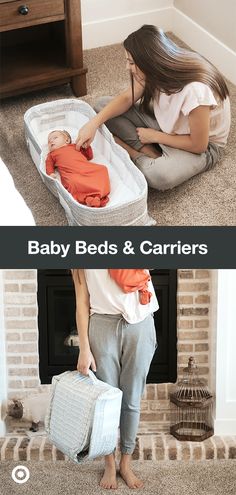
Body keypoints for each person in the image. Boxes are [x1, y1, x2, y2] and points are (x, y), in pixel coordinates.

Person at [75, 25, 231, 191]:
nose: (128, 67)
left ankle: (131, 152)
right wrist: (92, 124)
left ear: (150, 63)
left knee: (159, 175)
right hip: (170, 123)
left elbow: (198, 145)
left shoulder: (196, 91)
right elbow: (128, 98)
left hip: (203, 145)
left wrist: (155, 136)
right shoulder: (154, 71)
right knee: (102, 106)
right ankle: (150, 152)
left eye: (132, 63)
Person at [72, 269, 159, 489]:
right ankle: (109, 464)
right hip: (102, 326)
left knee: (131, 401)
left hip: (139, 324)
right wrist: (84, 349)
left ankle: (126, 464)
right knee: (106, 406)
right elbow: (81, 301)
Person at [46, 130, 110, 207]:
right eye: (49, 141)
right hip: (71, 174)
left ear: (67, 140)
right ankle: (87, 198)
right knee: (73, 183)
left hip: (86, 168)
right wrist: (51, 173)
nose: (51, 141)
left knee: (102, 169)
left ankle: (98, 194)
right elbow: (48, 164)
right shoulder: (52, 154)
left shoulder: (75, 146)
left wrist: (86, 146)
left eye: (55, 138)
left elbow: (89, 156)